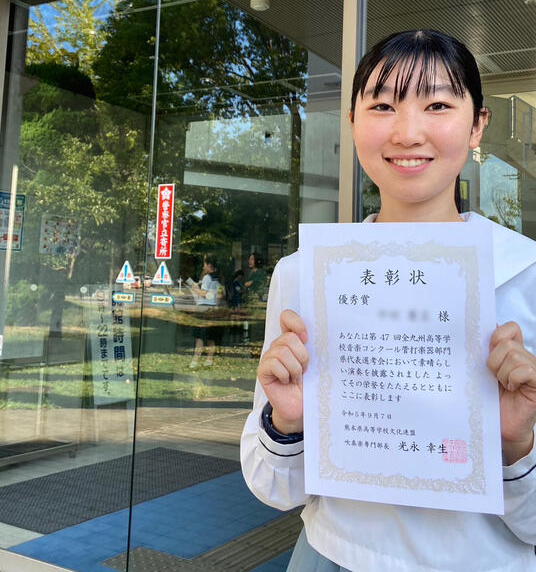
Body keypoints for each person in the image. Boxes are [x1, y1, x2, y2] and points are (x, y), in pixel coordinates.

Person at [241, 30, 536, 572]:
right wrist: (287, 422)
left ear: (477, 125)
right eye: (382, 106)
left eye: (438, 105)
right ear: (352, 122)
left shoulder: (526, 274)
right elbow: (273, 488)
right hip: (328, 555)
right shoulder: (304, 275)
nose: (407, 132)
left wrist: (517, 444)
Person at [189, 255, 222, 368]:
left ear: (209, 265)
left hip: (203, 308)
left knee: (199, 336)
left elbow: (204, 294)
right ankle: (209, 360)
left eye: (204, 264)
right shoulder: (219, 278)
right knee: (210, 337)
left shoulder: (207, 278)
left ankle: (195, 360)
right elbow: (219, 296)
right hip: (213, 308)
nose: (203, 267)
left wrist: (194, 289)